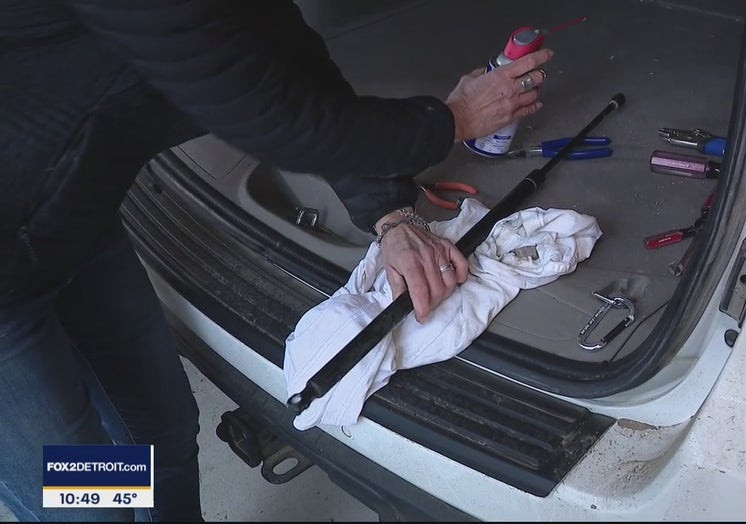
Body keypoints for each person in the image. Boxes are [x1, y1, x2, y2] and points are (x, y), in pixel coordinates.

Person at [0, 0, 552, 521]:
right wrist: (450, 120)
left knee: (159, 437)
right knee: (77, 497)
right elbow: (273, 118)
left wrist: (390, 216)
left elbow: (291, 60)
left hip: (66, 219)